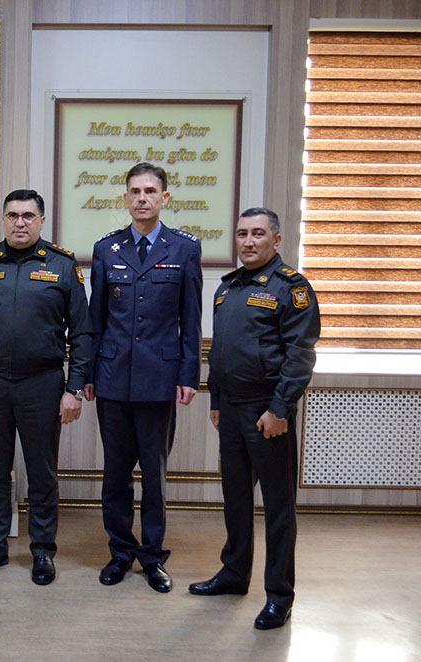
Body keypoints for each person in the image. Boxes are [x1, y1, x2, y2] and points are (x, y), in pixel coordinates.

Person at [0, 189, 92, 585]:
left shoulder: (62, 265)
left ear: (41, 221)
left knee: (42, 473)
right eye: (13, 215)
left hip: (42, 383)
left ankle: (42, 551)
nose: (20, 222)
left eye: (28, 216)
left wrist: (74, 389)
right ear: (3, 219)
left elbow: (83, 334)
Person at [190, 207, 320, 630]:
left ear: (276, 240)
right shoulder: (227, 289)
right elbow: (221, 351)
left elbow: (300, 356)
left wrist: (280, 409)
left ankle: (280, 596)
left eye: (258, 234)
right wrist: (216, 399)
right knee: (236, 500)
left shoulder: (292, 288)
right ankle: (234, 573)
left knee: (278, 510)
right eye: (242, 233)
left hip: (269, 412)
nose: (248, 241)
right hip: (230, 410)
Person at [87, 162, 202, 593]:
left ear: (164, 198)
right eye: (135, 191)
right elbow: (96, 320)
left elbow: (191, 320)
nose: (142, 198)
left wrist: (189, 375)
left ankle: (152, 557)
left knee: (154, 475)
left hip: (160, 379)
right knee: (116, 474)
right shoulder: (107, 249)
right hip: (113, 377)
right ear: (125, 198)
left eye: (150, 191)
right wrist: (89, 373)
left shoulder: (184, 249)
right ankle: (120, 553)